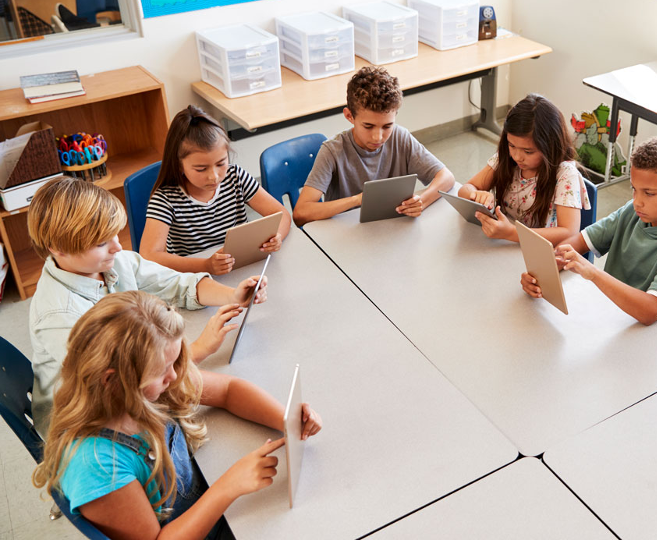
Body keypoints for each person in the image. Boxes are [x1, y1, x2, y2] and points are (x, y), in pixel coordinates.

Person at [32, 291, 322, 539]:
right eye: (162, 371)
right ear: (112, 380)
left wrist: (286, 419)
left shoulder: (148, 388)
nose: (175, 375)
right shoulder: (96, 466)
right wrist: (227, 487)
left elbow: (229, 390)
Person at [27, 177, 268, 437]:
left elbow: (178, 283)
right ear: (58, 249)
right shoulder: (58, 316)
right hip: (85, 422)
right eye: (101, 243)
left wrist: (233, 295)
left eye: (115, 234)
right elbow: (121, 383)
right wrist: (197, 350)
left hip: (137, 382)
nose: (118, 247)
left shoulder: (113, 262)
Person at [522, 134, 657, 334]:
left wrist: (594, 273)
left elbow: (649, 311)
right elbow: (578, 243)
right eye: (634, 189)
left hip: (644, 340)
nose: (637, 201)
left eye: (649, 193)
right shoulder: (633, 212)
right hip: (607, 319)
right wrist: (544, 271)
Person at [292, 66, 455, 223]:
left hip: (390, 229)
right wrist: (357, 200)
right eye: (368, 126)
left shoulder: (401, 137)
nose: (378, 137)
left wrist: (422, 201)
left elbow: (446, 177)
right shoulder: (332, 151)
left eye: (387, 126)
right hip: (346, 234)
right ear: (349, 116)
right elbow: (301, 213)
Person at [141, 105, 291, 275]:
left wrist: (277, 236)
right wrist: (205, 265)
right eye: (201, 169)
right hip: (195, 277)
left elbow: (282, 214)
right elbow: (149, 256)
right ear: (179, 164)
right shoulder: (165, 199)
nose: (214, 176)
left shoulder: (236, 176)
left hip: (241, 268)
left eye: (221, 164)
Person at [458, 94, 590, 245]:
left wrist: (512, 233)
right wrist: (475, 194)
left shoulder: (564, 174)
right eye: (511, 145)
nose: (517, 156)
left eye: (528, 152)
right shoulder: (505, 158)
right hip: (504, 244)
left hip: (538, 251)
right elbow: (464, 189)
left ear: (550, 147)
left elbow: (569, 232)